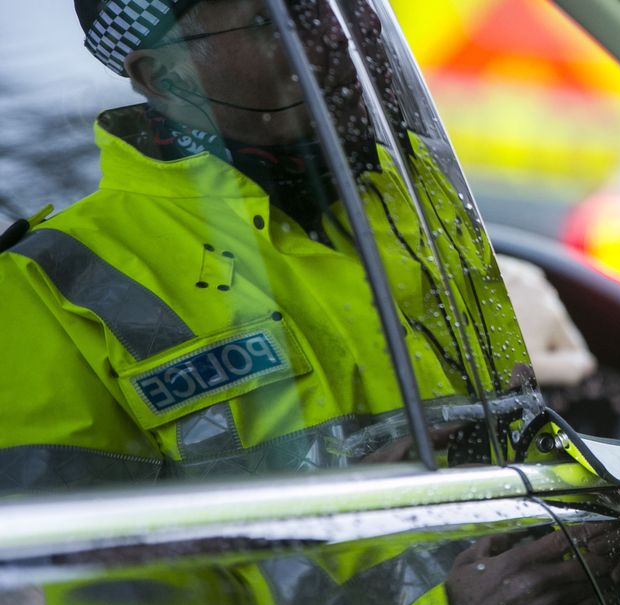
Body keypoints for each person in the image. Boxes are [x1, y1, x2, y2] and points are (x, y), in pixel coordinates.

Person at [0, 0, 533, 490]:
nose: (341, 31)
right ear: (166, 77)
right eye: (274, 20)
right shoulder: (50, 283)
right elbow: (76, 553)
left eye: (342, 3)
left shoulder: (408, 181)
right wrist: (353, 534)